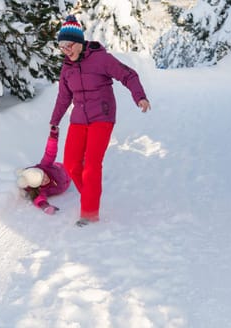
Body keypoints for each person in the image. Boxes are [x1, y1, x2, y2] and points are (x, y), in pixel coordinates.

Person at [49, 15, 151, 227]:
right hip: (78, 118)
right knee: (71, 164)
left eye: (68, 45)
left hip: (102, 116)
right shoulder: (67, 68)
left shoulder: (101, 59)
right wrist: (55, 120)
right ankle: (90, 193)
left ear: (79, 43)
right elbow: (63, 97)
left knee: (92, 165)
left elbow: (128, 75)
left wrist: (139, 97)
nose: (65, 50)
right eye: (61, 46)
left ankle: (89, 213)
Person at [16, 126, 71, 214]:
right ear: (38, 185)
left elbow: (50, 152)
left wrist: (53, 137)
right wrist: (46, 207)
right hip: (68, 181)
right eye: (42, 181)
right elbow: (39, 199)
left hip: (65, 168)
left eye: (43, 176)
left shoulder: (45, 165)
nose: (46, 179)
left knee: (80, 164)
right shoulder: (41, 190)